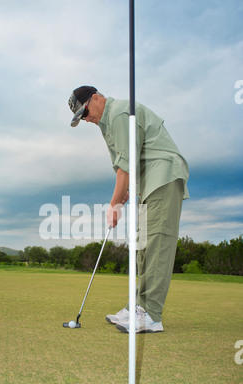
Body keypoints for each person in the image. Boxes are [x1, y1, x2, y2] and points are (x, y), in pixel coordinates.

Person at [68, 86, 189, 334]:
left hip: (163, 176)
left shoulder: (121, 114)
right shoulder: (106, 123)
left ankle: (151, 314)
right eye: (82, 117)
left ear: (96, 98)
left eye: (86, 111)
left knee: (156, 243)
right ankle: (136, 306)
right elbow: (123, 167)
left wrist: (113, 204)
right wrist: (122, 195)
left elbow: (126, 164)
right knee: (142, 246)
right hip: (147, 183)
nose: (87, 118)